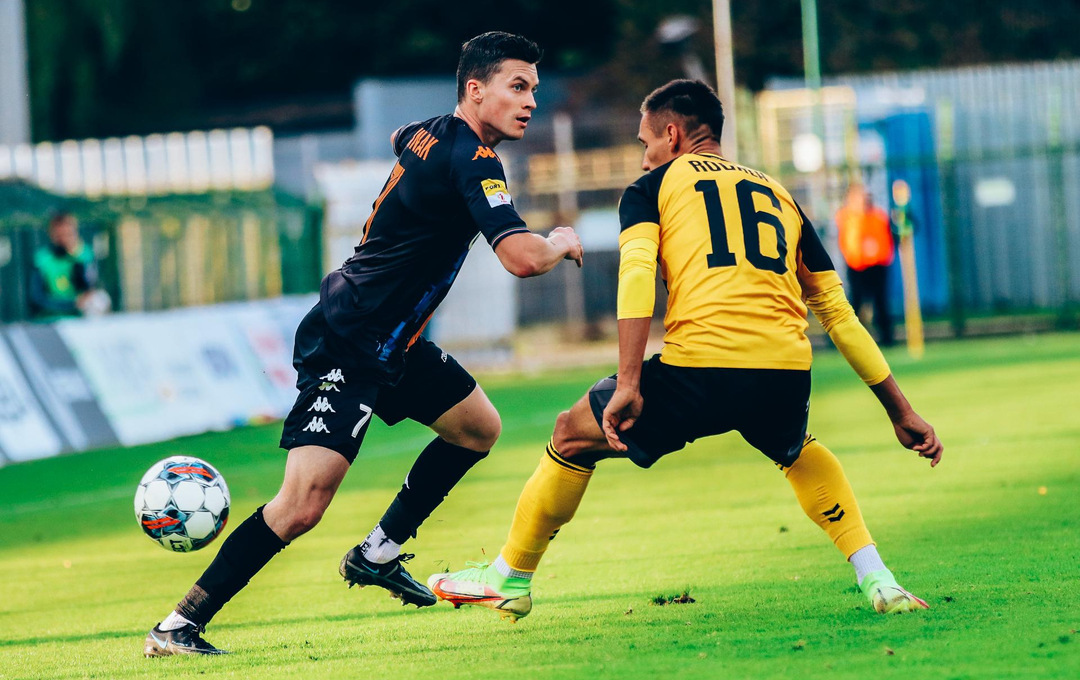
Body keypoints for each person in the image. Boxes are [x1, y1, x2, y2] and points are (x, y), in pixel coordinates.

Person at [429, 80, 942, 622]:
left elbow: (636, 277)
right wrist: (901, 411)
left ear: (672, 135)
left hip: (701, 368)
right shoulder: (780, 194)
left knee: (570, 435)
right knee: (796, 450)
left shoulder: (651, 188)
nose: (643, 156)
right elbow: (839, 316)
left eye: (645, 142)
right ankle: (878, 578)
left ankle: (511, 575)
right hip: (785, 370)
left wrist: (629, 383)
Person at [144, 31, 584, 657]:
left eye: (534, 89)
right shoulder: (475, 160)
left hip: (393, 341)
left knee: (477, 429)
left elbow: (403, 137)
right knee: (301, 505)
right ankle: (178, 625)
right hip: (350, 338)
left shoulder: (430, 133)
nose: (531, 101)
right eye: (518, 86)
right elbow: (521, 258)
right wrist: (560, 241)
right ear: (475, 89)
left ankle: (377, 552)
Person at [835, 183, 896, 346]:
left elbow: (887, 237)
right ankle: (851, 339)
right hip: (857, 265)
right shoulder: (846, 217)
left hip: (877, 264)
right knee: (855, 302)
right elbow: (848, 241)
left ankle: (887, 338)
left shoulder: (878, 216)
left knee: (881, 302)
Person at [29, 212, 109, 319]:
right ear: (51, 235)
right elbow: (37, 298)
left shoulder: (85, 255)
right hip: (51, 319)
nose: (64, 239)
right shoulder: (42, 259)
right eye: (60, 235)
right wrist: (72, 304)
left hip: (81, 319)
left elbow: (90, 287)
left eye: (68, 234)